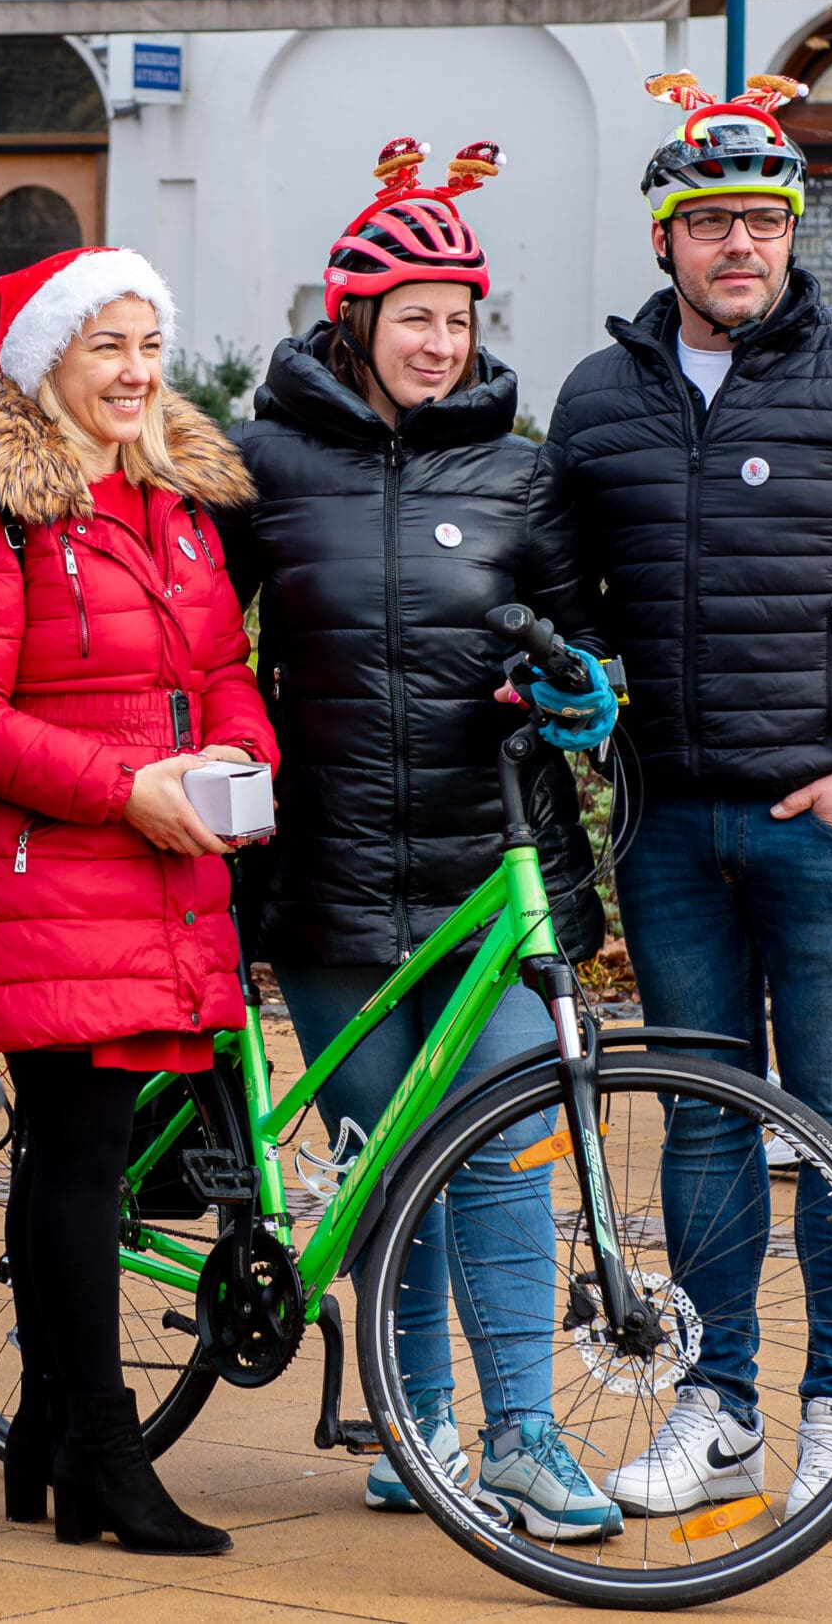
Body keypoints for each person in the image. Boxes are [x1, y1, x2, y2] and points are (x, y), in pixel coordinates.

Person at [542, 72, 832, 1536]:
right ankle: (721, 1409)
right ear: (664, 240)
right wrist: (584, 680)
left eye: (762, 220)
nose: (738, 243)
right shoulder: (599, 396)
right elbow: (560, 581)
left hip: (829, 827)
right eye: (710, 223)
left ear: (791, 231)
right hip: (669, 827)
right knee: (700, 1117)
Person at [222, 137, 622, 1541]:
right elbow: (195, 639)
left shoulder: (521, 474)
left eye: (458, 319)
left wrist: (583, 692)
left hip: (493, 868)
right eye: (414, 319)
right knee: (382, 1165)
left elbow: (583, 638)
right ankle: (415, 1424)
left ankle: (521, 1434)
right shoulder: (260, 466)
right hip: (329, 874)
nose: (441, 343)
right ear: (355, 320)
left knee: (503, 1151)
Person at [0, 246, 270, 1558]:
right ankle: (105, 1460)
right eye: (104, 345)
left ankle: (50, 1436)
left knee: (82, 1157)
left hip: (165, 861)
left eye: (148, 346)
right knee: (78, 1154)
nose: (133, 372)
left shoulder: (173, 494)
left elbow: (221, 662)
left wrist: (242, 756)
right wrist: (128, 791)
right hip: (55, 868)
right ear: (44, 361)